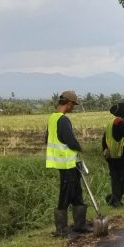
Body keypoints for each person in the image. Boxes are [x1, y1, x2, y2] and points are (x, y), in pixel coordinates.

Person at [45, 91, 92, 236]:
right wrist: (80, 148)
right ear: (69, 103)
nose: (73, 108)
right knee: (65, 195)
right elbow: (70, 141)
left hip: (67, 162)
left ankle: (80, 224)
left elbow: (46, 139)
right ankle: (61, 229)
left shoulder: (52, 118)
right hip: (67, 163)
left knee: (77, 192)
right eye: (73, 105)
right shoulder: (63, 120)